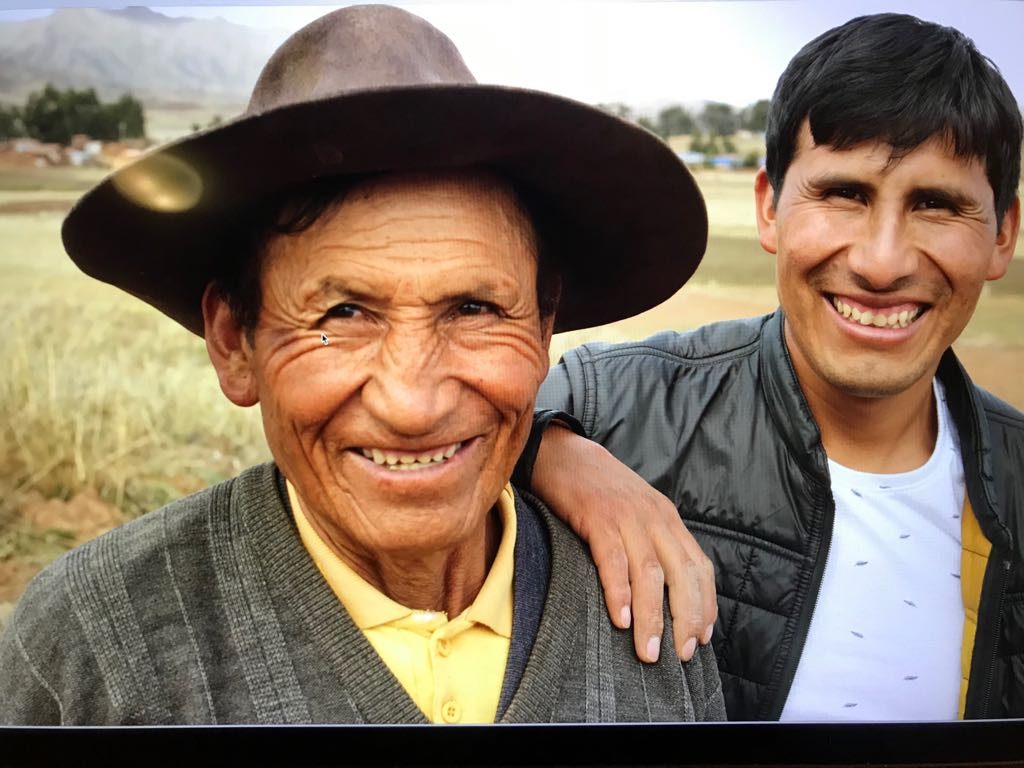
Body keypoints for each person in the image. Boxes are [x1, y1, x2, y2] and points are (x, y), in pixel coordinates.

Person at [0, 5, 724, 725]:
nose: (413, 403)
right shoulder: (91, 645)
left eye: (473, 308)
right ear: (233, 342)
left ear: (542, 326)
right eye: (342, 314)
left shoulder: (649, 603)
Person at [526, 12, 1024, 721]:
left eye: (936, 205)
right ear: (769, 208)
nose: (882, 261)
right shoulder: (611, 406)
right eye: (845, 194)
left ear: (1003, 234)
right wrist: (549, 447)